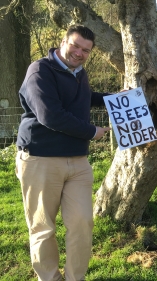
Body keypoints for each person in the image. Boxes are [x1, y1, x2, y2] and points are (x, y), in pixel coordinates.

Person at [15, 24, 111, 281]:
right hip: (40, 158)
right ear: (63, 42)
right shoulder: (40, 70)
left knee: (82, 224)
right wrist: (92, 132)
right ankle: (49, 278)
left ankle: (74, 278)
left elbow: (83, 97)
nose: (79, 53)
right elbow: (50, 115)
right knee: (43, 227)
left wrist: (113, 98)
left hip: (78, 162)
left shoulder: (79, 72)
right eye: (75, 46)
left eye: (86, 50)